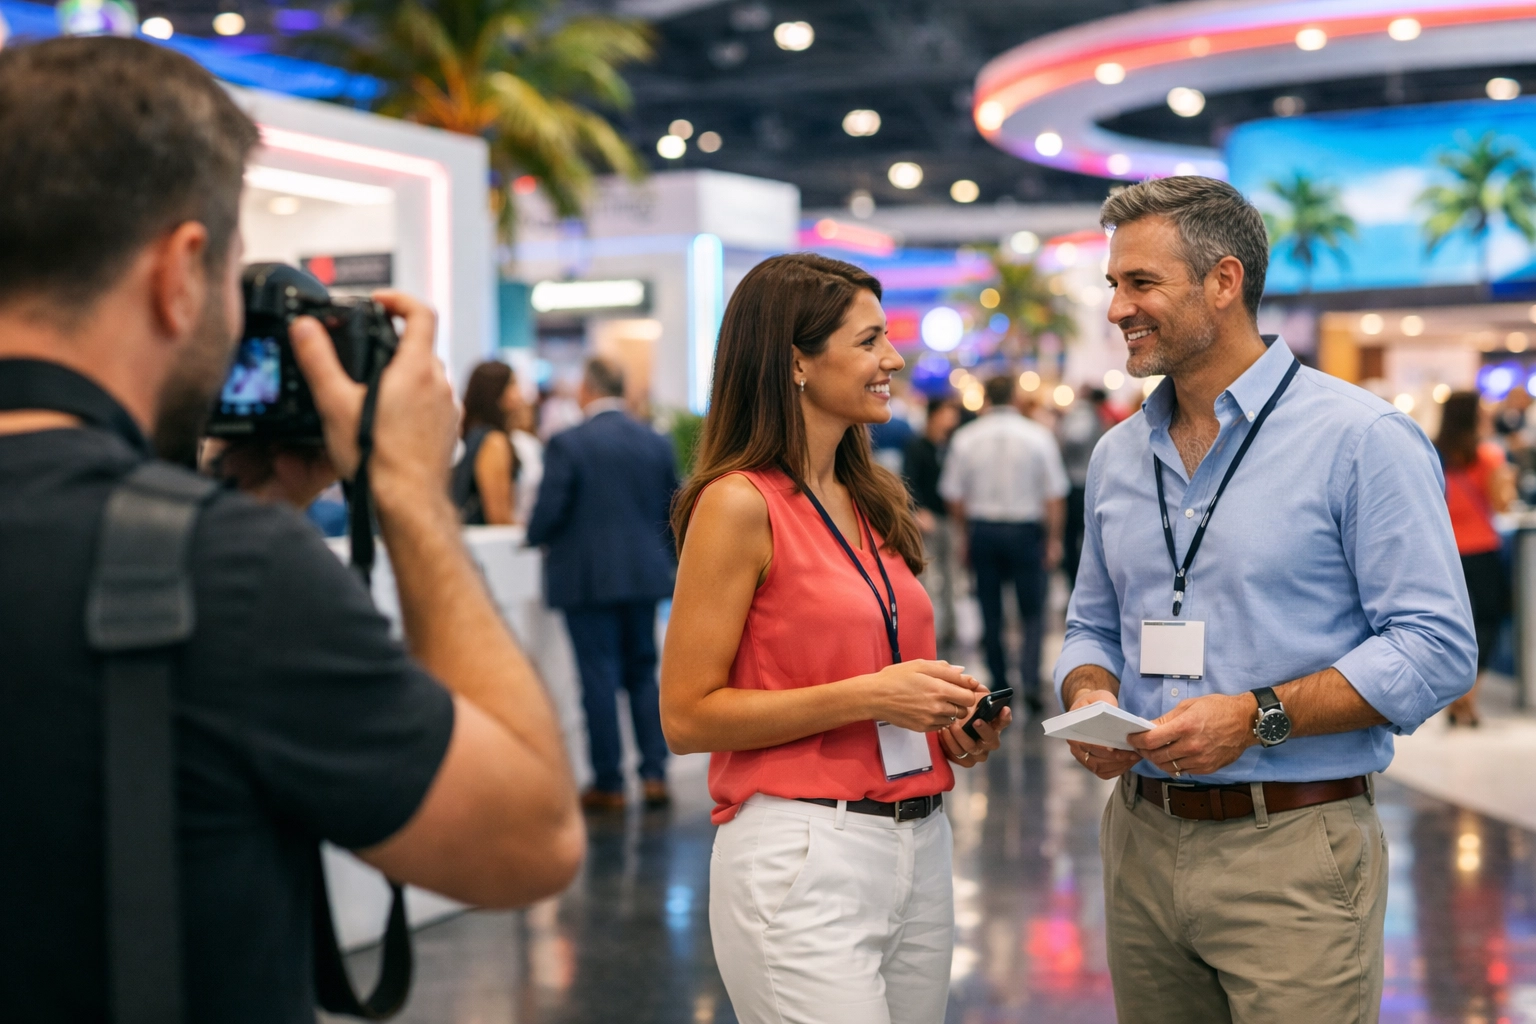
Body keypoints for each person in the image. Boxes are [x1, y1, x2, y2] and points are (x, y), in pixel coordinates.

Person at [0, 38, 585, 1022]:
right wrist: (406, 492)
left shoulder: (204, 560)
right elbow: (527, 838)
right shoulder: (227, 576)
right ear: (182, 271)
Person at [1058, 175, 1476, 1024]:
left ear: (1223, 281)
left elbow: (1435, 646)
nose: (1117, 309)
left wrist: (1256, 716)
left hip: (1293, 848)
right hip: (1140, 835)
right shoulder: (1115, 457)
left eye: (1141, 284)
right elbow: (1090, 623)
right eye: (1114, 285)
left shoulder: (1360, 440)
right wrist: (1090, 695)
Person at [660, 253, 1009, 1024]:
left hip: (920, 844)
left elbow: (875, 670)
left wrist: (946, 723)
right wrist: (872, 695)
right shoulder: (736, 504)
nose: (893, 359)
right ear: (796, 363)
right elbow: (686, 717)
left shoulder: (869, 497)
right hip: (803, 851)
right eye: (869, 341)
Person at [527, 357, 679, 810]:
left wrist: (533, 535)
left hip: (588, 578)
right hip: (644, 576)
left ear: (589, 389)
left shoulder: (568, 443)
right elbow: (672, 509)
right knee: (641, 674)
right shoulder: (654, 441)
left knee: (597, 677)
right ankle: (654, 775)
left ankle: (609, 782)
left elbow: (548, 512)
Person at [940, 374, 1068, 714]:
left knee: (990, 609)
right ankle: (1030, 681)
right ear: (1014, 397)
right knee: (1032, 613)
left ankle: (998, 684)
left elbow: (954, 495)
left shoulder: (966, 437)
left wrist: (964, 534)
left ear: (985, 398)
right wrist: (1053, 539)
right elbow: (1054, 494)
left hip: (984, 530)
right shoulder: (1037, 435)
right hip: (1026, 531)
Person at [1436, 391, 1515, 726]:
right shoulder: (1488, 455)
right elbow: (1502, 505)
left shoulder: (1432, 452)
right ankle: (1468, 696)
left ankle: (1455, 696)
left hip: (1443, 551)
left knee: (1449, 625)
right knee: (1487, 623)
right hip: (1481, 550)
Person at [904, 396, 962, 649]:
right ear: (934, 415)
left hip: (949, 519)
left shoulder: (953, 445)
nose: (953, 419)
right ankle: (928, 631)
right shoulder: (917, 445)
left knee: (952, 576)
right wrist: (917, 511)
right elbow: (907, 482)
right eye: (948, 413)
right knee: (927, 578)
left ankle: (950, 627)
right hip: (926, 520)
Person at [452, 360, 523, 525]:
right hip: (487, 543)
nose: (519, 394)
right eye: (512, 385)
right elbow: (498, 516)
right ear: (495, 391)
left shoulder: (475, 434)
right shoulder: (493, 441)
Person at [1057, 386, 1111, 588]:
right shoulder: (1085, 415)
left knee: (1076, 538)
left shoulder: (1076, 413)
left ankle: (1079, 583)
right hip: (1080, 484)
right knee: (1084, 537)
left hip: (1075, 482)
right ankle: (1079, 584)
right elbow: (1075, 438)